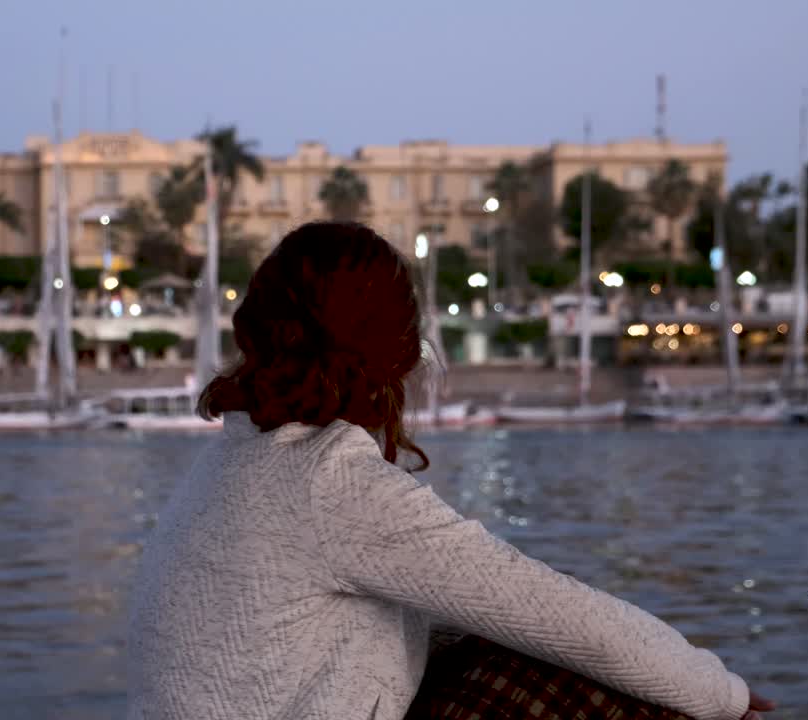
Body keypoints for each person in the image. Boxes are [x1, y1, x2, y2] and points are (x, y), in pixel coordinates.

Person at [126, 222, 775, 720]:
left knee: (482, 643)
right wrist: (725, 695)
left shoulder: (229, 459)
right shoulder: (330, 481)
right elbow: (566, 619)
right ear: (396, 357)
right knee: (587, 677)